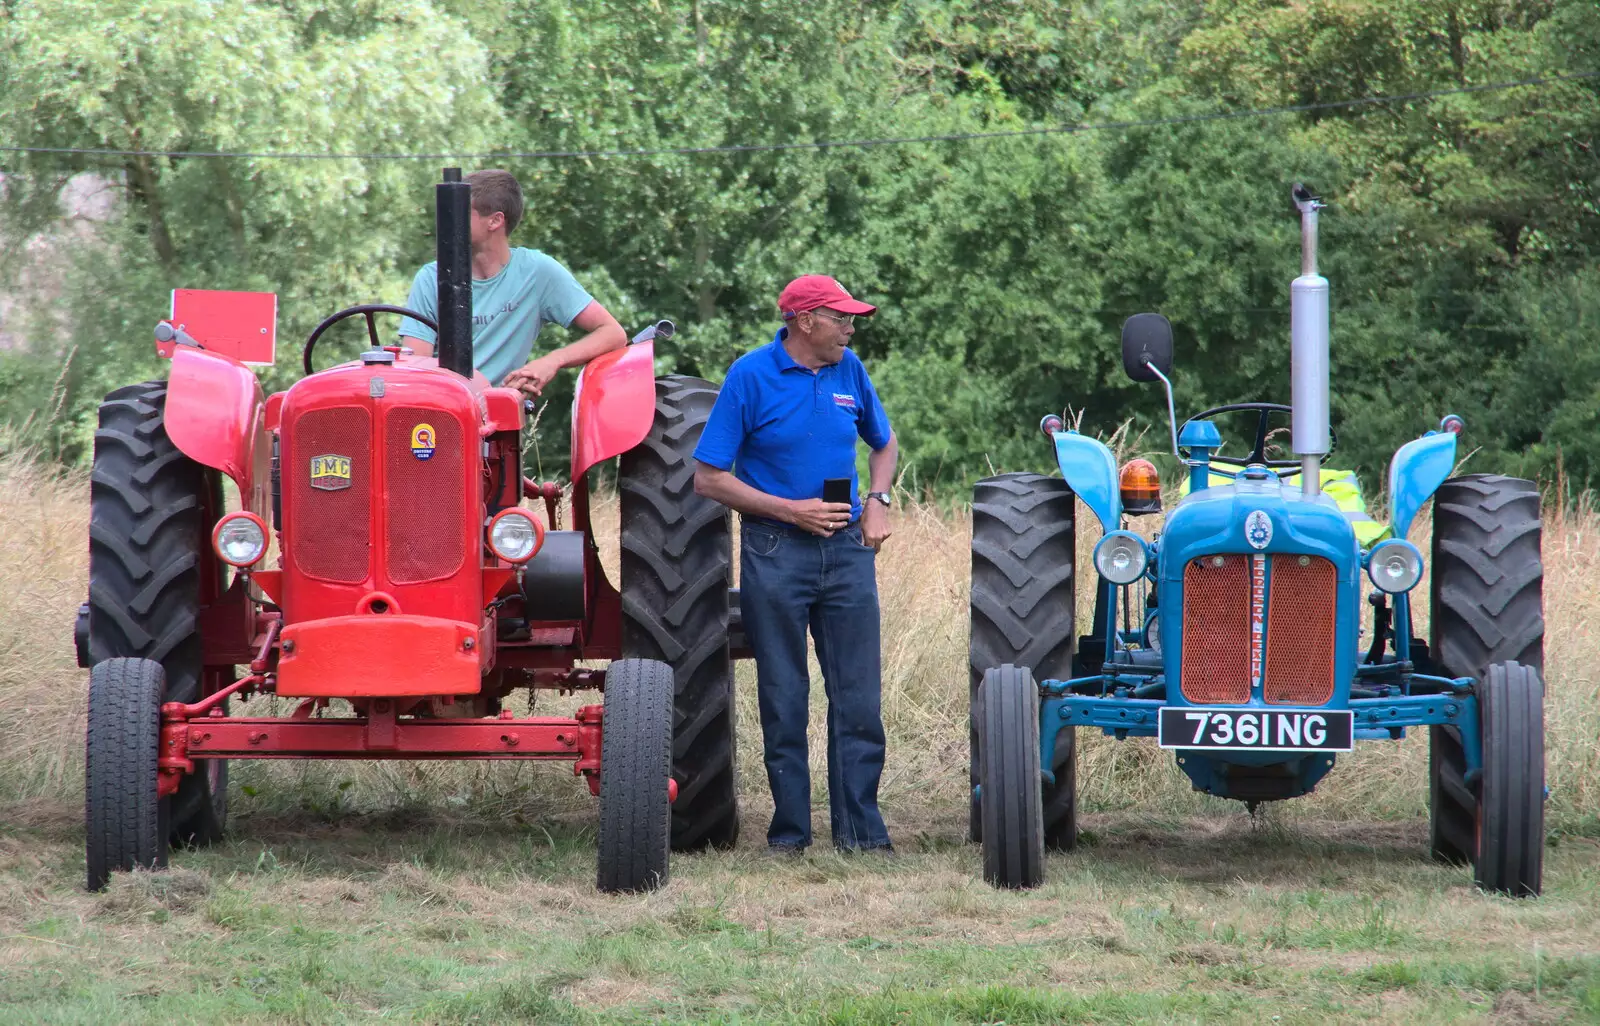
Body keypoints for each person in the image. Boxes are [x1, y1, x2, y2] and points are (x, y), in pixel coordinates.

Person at [692, 274, 899, 854]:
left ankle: (860, 833)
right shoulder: (750, 376)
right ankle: (790, 835)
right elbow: (708, 478)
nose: (851, 328)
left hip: (849, 552)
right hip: (775, 553)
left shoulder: (849, 370)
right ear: (804, 321)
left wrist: (877, 503)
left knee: (858, 697)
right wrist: (789, 510)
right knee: (784, 697)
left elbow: (883, 444)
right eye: (842, 318)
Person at [397, 169, 626, 395]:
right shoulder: (430, 278)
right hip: (442, 409)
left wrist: (552, 361)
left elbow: (612, 333)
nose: (448, 222)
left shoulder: (537, 272)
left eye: (460, 213)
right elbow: (417, 370)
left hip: (499, 413)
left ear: (495, 221)